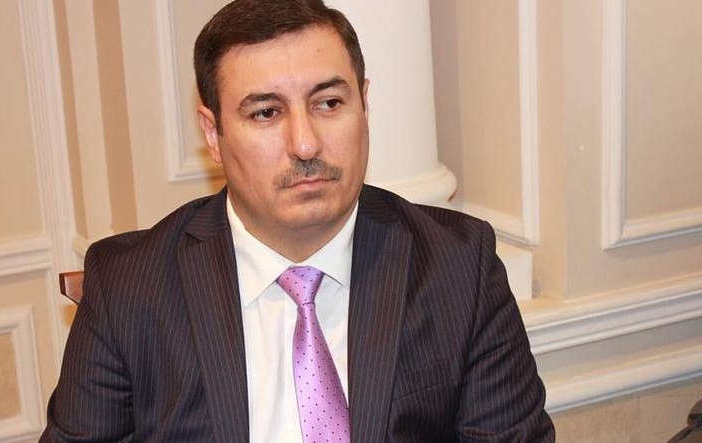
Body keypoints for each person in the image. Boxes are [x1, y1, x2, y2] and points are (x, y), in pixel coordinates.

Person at [40, 0, 555, 441]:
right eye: (265, 113)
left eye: (328, 103)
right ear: (213, 134)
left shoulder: (457, 264)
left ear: (364, 105)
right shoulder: (129, 285)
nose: (305, 144)